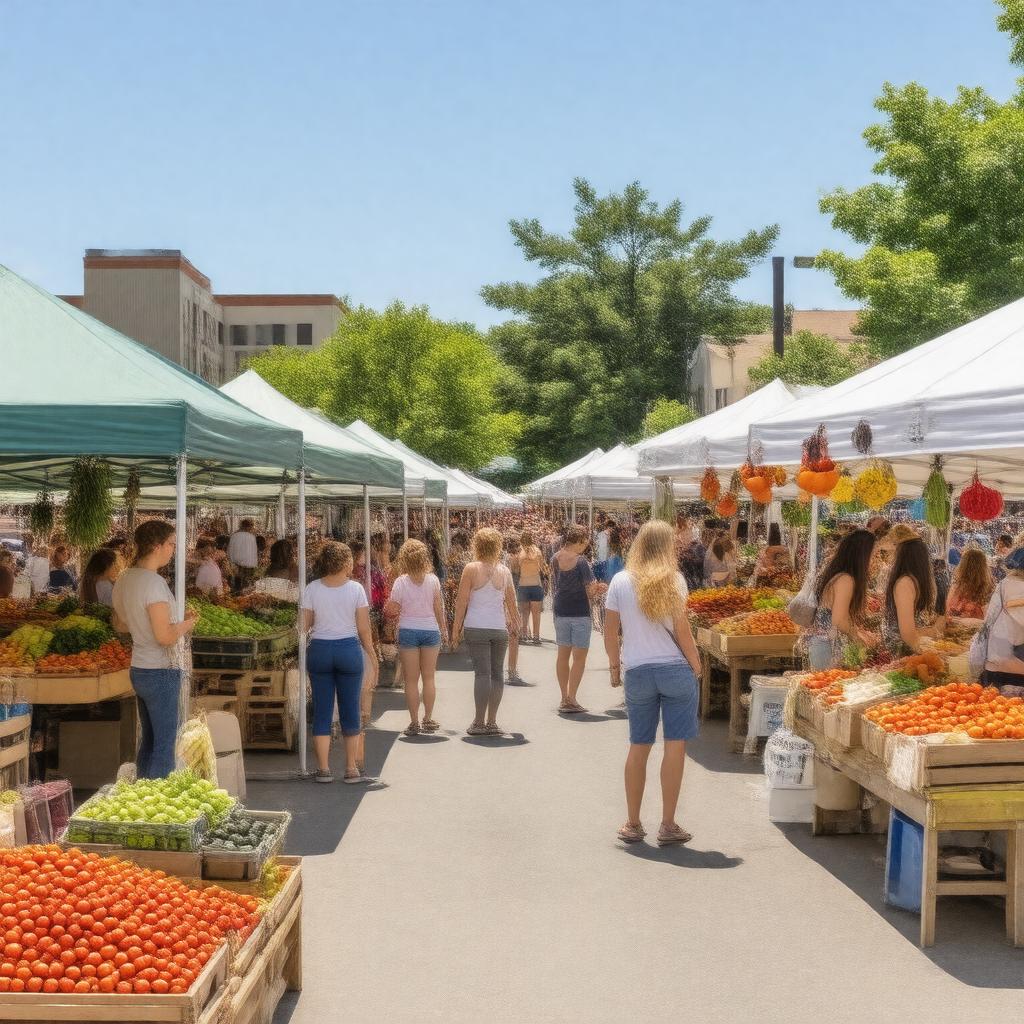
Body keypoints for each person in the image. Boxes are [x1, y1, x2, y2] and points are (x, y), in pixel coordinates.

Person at [603, 520, 701, 846]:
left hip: (638, 671)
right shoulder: (675, 580)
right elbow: (683, 630)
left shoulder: (619, 581)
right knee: (675, 746)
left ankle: (632, 823)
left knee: (638, 745)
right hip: (675, 670)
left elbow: (610, 630)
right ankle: (668, 824)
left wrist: (614, 667)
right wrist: (697, 665)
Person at [112, 520, 198, 778]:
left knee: (148, 741)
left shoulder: (125, 578)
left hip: (139, 667)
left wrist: (146, 624)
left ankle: (142, 795)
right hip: (160, 670)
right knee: (164, 745)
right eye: (171, 544)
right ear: (157, 546)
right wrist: (187, 623)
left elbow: (120, 624)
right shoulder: (154, 584)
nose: (173, 550)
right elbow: (164, 636)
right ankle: (158, 798)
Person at [302, 541, 378, 784]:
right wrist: (373, 657)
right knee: (350, 710)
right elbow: (364, 629)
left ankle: (323, 769)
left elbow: (303, 627)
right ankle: (350, 768)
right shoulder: (356, 589)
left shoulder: (312, 588)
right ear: (347, 563)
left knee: (322, 711)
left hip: (320, 650)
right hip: (348, 649)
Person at [451, 528, 520, 736]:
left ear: (477, 545)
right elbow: (511, 602)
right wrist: (516, 624)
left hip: (476, 626)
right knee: (497, 674)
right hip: (498, 628)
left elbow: (461, 601)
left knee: (482, 673)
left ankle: (478, 722)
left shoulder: (471, 569)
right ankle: (492, 721)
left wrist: (456, 629)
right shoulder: (504, 571)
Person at [386, 539, 447, 735]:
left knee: (410, 680)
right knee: (429, 678)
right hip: (430, 630)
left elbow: (393, 608)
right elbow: (438, 607)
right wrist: (443, 628)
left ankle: (413, 722)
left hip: (408, 630)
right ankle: (428, 718)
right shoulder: (433, 580)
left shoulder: (400, 582)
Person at [804, 528, 876, 670]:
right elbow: (839, 620)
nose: (874, 559)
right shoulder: (845, 580)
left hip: (822, 645)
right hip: (828, 648)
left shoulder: (839, 576)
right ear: (862, 555)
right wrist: (858, 638)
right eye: (873, 554)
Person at [551, 524, 602, 713]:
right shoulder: (581, 562)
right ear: (579, 542)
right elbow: (590, 592)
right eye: (585, 544)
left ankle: (564, 697)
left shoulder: (554, 558)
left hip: (560, 610)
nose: (585, 548)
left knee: (562, 656)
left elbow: (556, 585)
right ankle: (572, 698)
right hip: (580, 612)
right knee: (579, 658)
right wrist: (598, 589)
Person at [976, 546, 1024, 691]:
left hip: (997, 665)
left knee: (997, 710)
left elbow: (988, 624)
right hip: (1020, 667)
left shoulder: (1004, 585)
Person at [883, 536, 937, 657]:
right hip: (903, 653)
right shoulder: (905, 583)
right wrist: (929, 657)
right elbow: (907, 634)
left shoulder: (910, 581)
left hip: (909, 650)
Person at [515, 529, 545, 646]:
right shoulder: (537, 552)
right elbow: (541, 568)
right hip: (536, 585)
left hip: (523, 585)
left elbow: (516, 569)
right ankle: (536, 636)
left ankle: (523, 635)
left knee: (524, 613)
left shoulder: (520, 553)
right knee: (536, 613)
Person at [946, 548, 994, 621]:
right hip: (976, 629)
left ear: (963, 565)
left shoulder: (957, 586)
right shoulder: (988, 587)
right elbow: (989, 617)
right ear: (984, 566)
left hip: (955, 628)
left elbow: (948, 610)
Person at [227, 518, 259, 593]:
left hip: (236, 563)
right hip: (248, 565)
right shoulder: (251, 537)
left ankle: (235, 595)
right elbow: (253, 552)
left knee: (236, 583)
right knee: (246, 585)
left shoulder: (234, 535)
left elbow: (230, 549)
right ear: (249, 527)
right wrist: (254, 565)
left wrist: (231, 561)